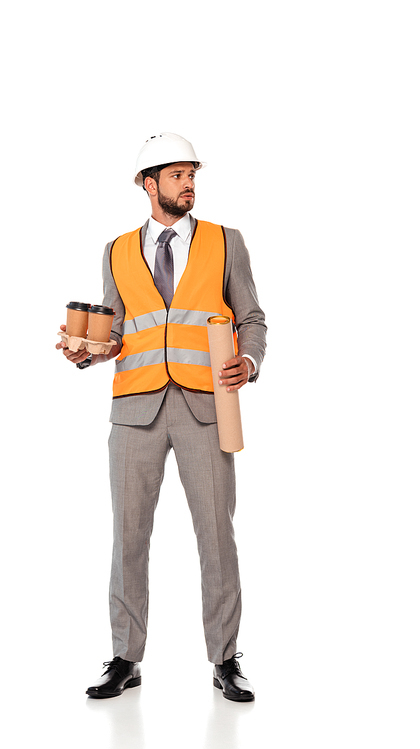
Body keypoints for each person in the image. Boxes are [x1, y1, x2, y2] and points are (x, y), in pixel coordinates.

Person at [56, 133, 267, 702]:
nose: (188, 183)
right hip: (135, 409)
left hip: (205, 407)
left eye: (192, 173)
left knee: (217, 537)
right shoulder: (117, 250)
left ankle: (225, 658)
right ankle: (126, 656)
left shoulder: (228, 242)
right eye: (175, 175)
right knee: (128, 535)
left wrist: (248, 361)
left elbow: (251, 316)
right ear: (147, 185)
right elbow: (117, 330)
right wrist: (88, 351)